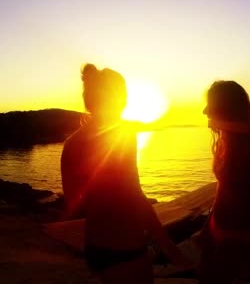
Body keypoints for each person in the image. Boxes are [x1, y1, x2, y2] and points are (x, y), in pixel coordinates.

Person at [60, 63, 191, 283]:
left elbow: (74, 204)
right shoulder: (122, 136)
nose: (126, 100)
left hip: (95, 248)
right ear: (113, 98)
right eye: (123, 95)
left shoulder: (71, 144)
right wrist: (169, 248)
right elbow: (136, 196)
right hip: (127, 249)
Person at [198, 80, 250, 284]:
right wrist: (207, 225)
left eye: (211, 106)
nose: (206, 112)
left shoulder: (247, 146)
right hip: (215, 228)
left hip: (234, 236)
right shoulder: (224, 140)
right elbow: (225, 190)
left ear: (225, 108)